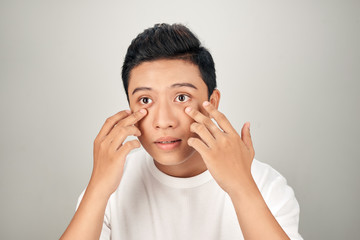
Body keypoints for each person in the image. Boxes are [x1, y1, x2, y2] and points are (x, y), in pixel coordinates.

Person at [60, 23, 303, 240]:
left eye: (181, 97)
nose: (163, 121)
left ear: (212, 102)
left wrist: (241, 186)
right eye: (145, 100)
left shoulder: (265, 184)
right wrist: (98, 188)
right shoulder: (113, 183)